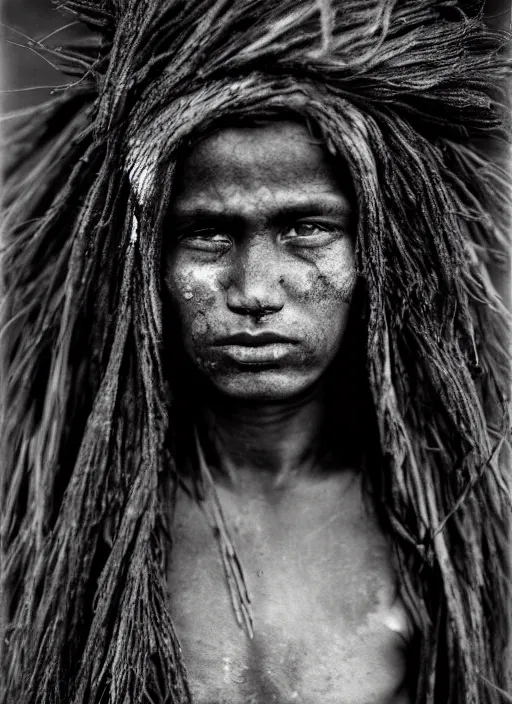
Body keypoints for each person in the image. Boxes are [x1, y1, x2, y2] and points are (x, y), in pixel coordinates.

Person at [0, 1, 511, 703]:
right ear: (147, 260)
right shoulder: (42, 522)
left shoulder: (459, 517)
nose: (255, 291)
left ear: (376, 253)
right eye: (208, 233)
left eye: (306, 228)